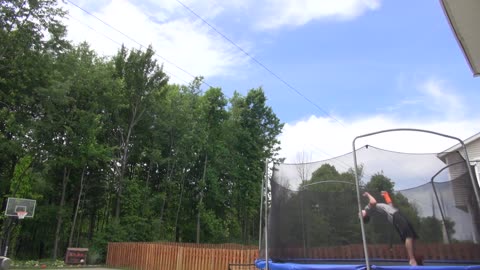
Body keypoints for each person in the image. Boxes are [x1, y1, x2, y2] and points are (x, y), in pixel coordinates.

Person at [361, 191, 420, 266]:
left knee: (412, 236)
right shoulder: (367, 209)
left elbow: (390, 206)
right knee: (408, 236)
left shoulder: (372, 209)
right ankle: (412, 259)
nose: (359, 212)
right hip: (395, 216)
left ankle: (415, 258)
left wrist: (386, 196)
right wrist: (368, 194)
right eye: (359, 214)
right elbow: (373, 201)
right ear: (364, 216)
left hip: (397, 214)